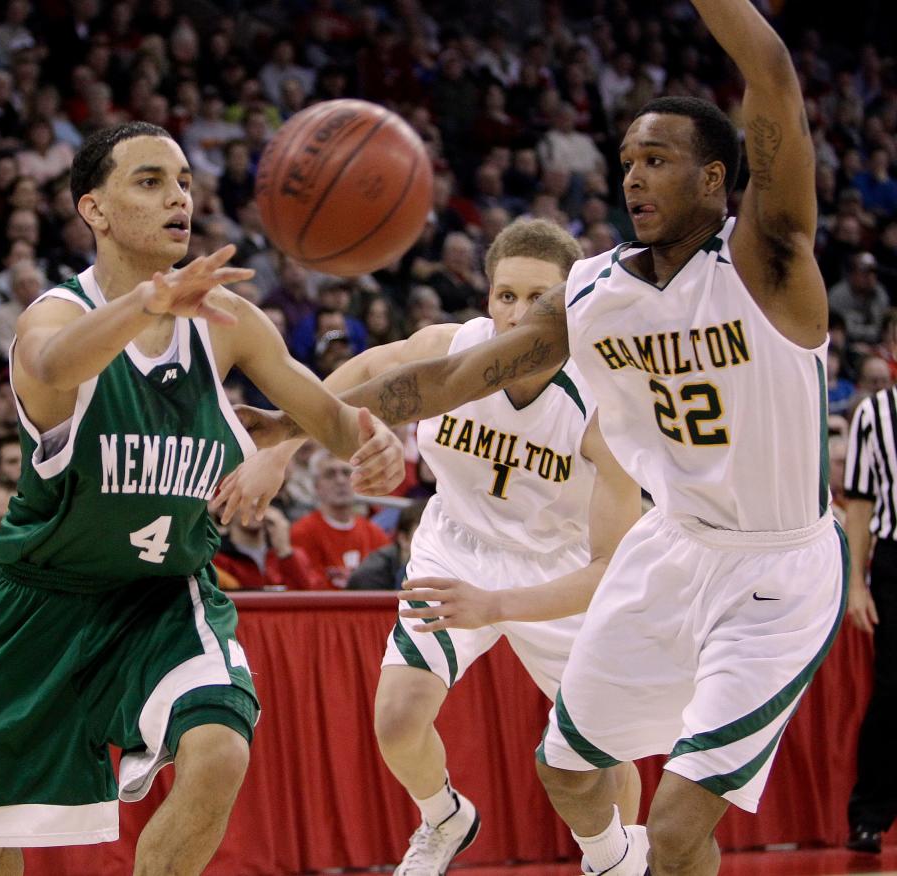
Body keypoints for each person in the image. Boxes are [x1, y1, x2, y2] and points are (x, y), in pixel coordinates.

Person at [234, 3, 849, 872]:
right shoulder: (596, 293)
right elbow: (447, 379)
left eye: (659, 159)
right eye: (628, 159)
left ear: (718, 178)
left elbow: (773, 75)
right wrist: (298, 422)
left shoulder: (770, 264)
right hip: (673, 549)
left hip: (774, 570)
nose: (634, 176)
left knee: (675, 827)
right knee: (565, 769)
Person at [0, 121, 404, 876]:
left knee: (219, 750)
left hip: (164, 598)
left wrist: (368, 441)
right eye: (150, 181)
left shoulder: (228, 324)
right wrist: (149, 303)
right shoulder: (52, 317)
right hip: (40, 606)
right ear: (94, 209)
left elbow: (323, 415)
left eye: (184, 180)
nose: (178, 196)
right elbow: (54, 364)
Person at [221, 218, 643, 873]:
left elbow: (609, 566)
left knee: (603, 753)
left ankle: (614, 857)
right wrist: (282, 447)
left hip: (560, 571)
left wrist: (498, 604)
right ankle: (446, 816)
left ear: (571, 305)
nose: (517, 313)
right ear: (486, 298)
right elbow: (365, 370)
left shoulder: (602, 405)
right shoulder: (454, 349)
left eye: (538, 298)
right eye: (505, 295)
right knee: (396, 721)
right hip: (458, 546)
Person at [841, 380, 897, 854]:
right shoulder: (875, 413)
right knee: (892, 689)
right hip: (894, 559)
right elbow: (858, 502)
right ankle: (869, 816)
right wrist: (857, 582)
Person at [289, 449, 391, 590]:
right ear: (316, 486)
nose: (340, 480)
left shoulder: (376, 535)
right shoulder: (301, 533)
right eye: (330, 474)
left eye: (346, 473)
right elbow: (308, 588)